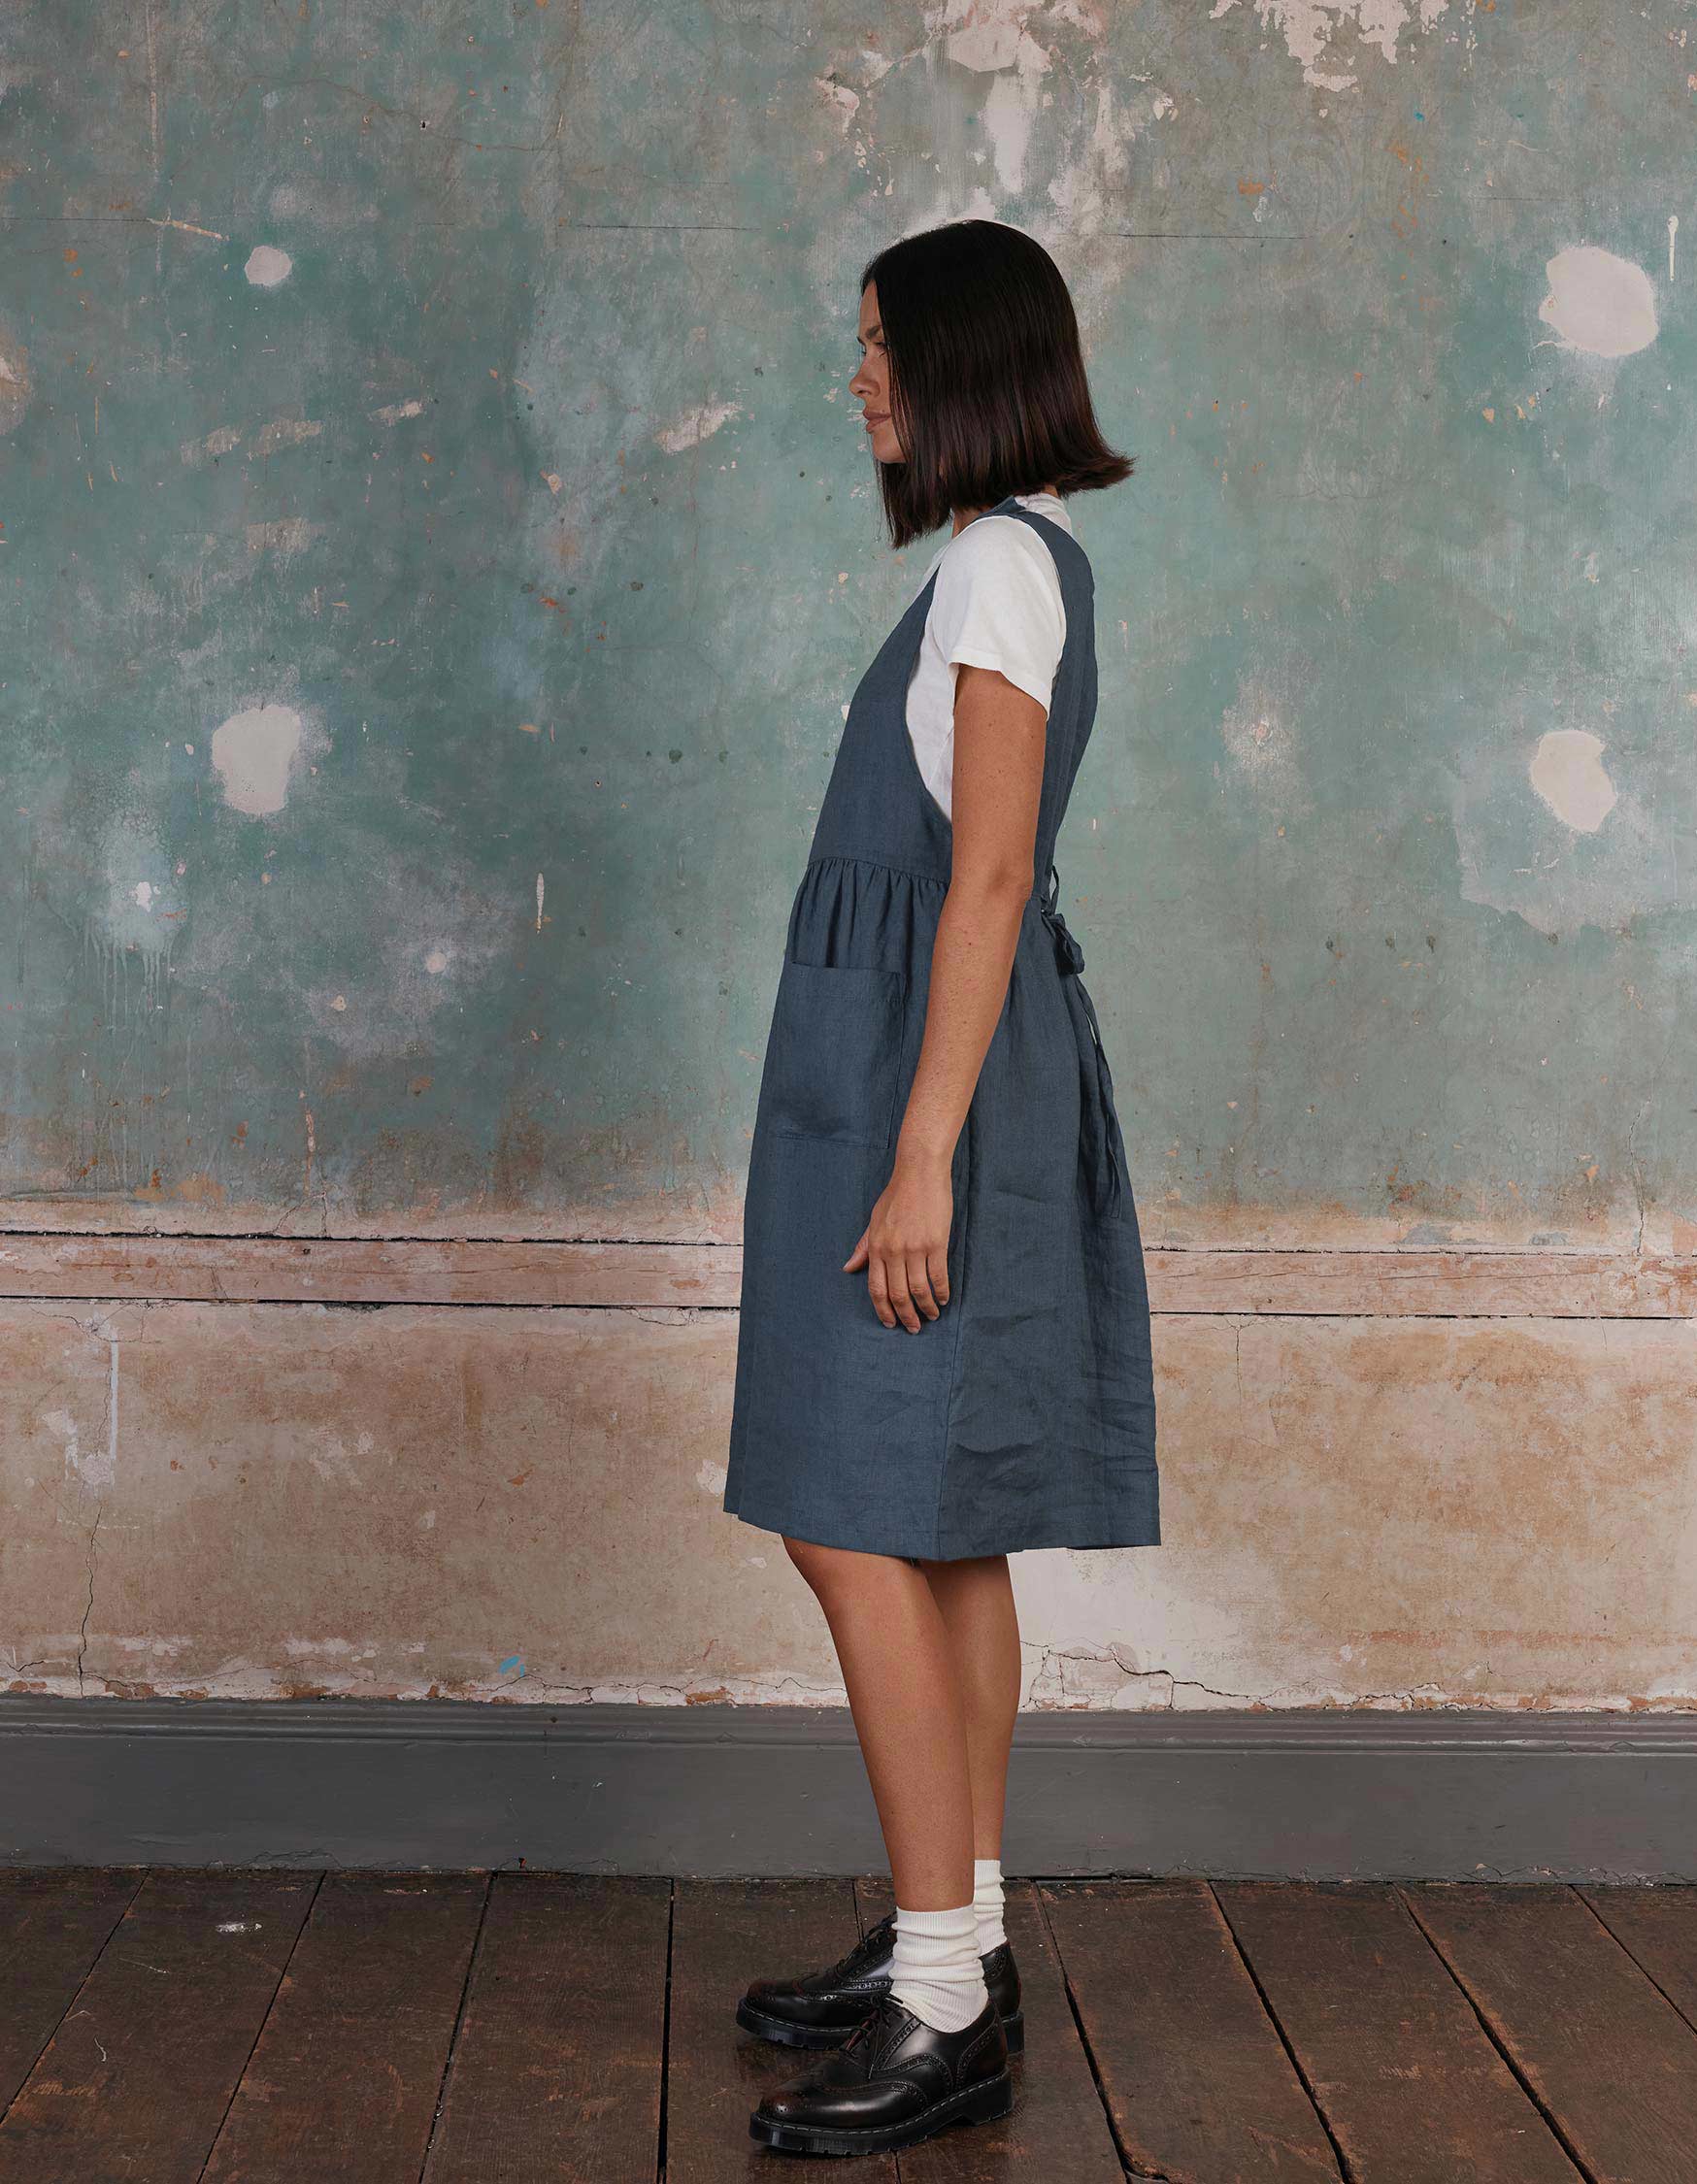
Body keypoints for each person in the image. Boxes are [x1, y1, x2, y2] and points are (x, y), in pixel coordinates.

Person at [720, 216, 1159, 2158]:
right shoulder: (1015, 562)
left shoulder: (995, 567)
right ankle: (945, 1929)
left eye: (881, 340)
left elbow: (984, 879)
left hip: (925, 1096)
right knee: (937, 1525)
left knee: (852, 1524)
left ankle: (945, 1993)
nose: (861, 379)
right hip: (911, 1078)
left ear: (967, 363)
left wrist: (918, 1158)